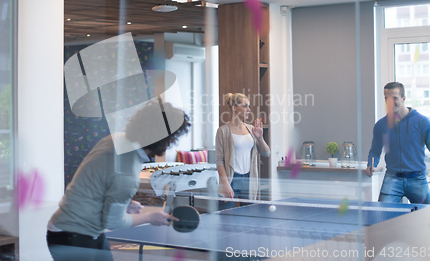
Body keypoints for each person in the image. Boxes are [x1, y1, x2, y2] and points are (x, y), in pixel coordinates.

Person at [46, 100, 191, 260]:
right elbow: (114, 223)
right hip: (73, 236)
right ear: (166, 139)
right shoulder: (126, 174)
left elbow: (97, 184)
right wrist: (150, 217)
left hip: (81, 231)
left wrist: (125, 205)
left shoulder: (116, 139)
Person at [365, 82, 430, 204]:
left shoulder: (422, 122)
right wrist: (371, 164)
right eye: (386, 98)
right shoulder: (381, 125)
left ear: (403, 98)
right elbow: (375, 151)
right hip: (392, 178)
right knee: (382, 218)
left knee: (427, 219)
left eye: (394, 98)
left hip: (418, 179)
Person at [216, 93, 270, 209]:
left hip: (249, 180)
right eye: (245, 106)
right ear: (234, 107)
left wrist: (260, 138)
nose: (249, 109)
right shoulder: (223, 131)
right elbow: (219, 161)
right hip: (232, 180)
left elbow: (266, 153)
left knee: (248, 218)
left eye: (249, 106)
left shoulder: (251, 129)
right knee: (226, 218)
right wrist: (225, 184)